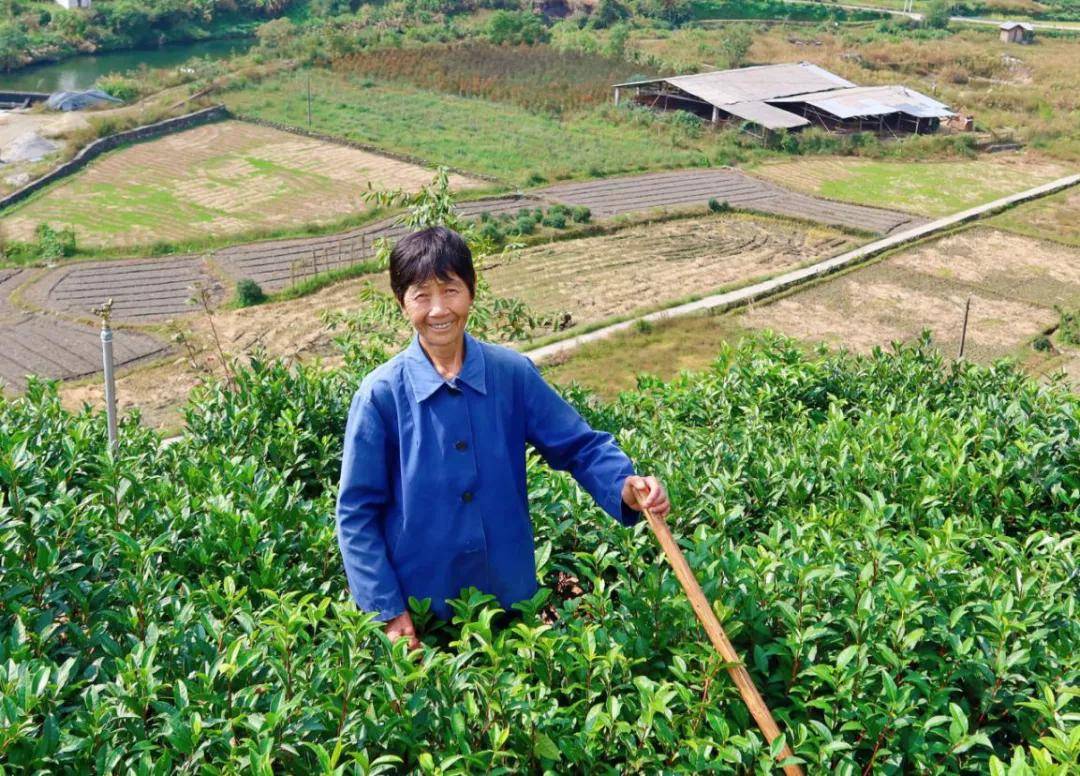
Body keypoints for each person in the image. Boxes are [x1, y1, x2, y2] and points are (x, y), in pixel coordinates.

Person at [336, 226, 670, 648]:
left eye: (451, 290)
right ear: (402, 303)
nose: (439, 309)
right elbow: (356, 512)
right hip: (423, 616)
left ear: (471, 292)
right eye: (422, 295)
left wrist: (625, 485)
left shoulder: (511, 375)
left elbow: (579, 446)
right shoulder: (380, 396)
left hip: (512, 605)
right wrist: (387, 609)